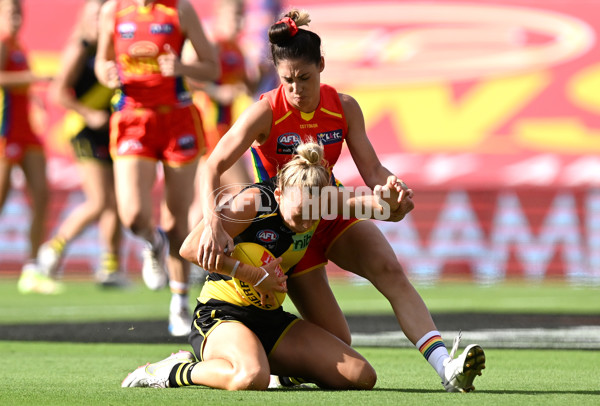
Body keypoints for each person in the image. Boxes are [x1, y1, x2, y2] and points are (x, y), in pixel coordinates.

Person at [192, 9, 486, 392]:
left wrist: (393, 193)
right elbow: (211, 164)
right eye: (287, 80)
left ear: (322, 66)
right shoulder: (264, 111)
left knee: (389, 269)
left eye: (305, 78)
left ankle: (447, 367)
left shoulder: (343, 107)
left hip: (328, 207)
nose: (296, 89)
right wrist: (213, 221)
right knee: (339, 345)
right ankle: (248, 360)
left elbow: (374, 173)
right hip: (286, 229)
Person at [121, 141, 406, 390]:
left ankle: (277, 373)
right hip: (222, 315)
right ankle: (173, 369)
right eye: (300, 213)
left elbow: (385, 210)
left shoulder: (322, 199)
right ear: (280, 194)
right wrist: (253, 275)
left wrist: (395, 200)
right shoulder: (254, 202)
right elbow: (189, 248)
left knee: (360, 376)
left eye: (315, 212)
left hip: (270, 319)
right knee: (250, 377)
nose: (308, 222)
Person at [94, 0, 220, 335]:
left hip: (178, 118)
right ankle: (153, 243)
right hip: (132, 118)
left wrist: (182, 68)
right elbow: (101, 62)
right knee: (133, 215)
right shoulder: (113, 11)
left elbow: (212, 67)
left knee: (176, 218)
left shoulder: (180, 10)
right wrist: (105, 73)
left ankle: (179, 303)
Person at [37, 0, 128, 288]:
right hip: (84, 130)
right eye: (96, 13)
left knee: (117, 202)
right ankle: (52, 251)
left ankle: (110, 268)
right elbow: (57, 92)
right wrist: (88, 113)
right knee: (100, 201)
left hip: (114, 130)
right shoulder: (81, 46)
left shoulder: (118, 45)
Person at [0, 0, 56, 294]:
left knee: (42, 196)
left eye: (19, 12)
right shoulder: (3, 43)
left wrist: (33, 97)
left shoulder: (19, 46)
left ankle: (32, 268)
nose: (16, 18)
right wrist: (33, 79)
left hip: (27, 132)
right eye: (10, 12)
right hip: (5, 132)